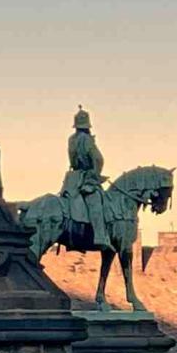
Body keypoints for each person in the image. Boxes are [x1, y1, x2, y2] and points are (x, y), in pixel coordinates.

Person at [61, 105, 111, 250]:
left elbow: (72, 159)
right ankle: (100, 236)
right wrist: (95, 174)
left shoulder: (71, 139)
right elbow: (98, 159)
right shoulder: (87, 139)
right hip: (85, 177)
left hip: (72, 178)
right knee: (95, 201)